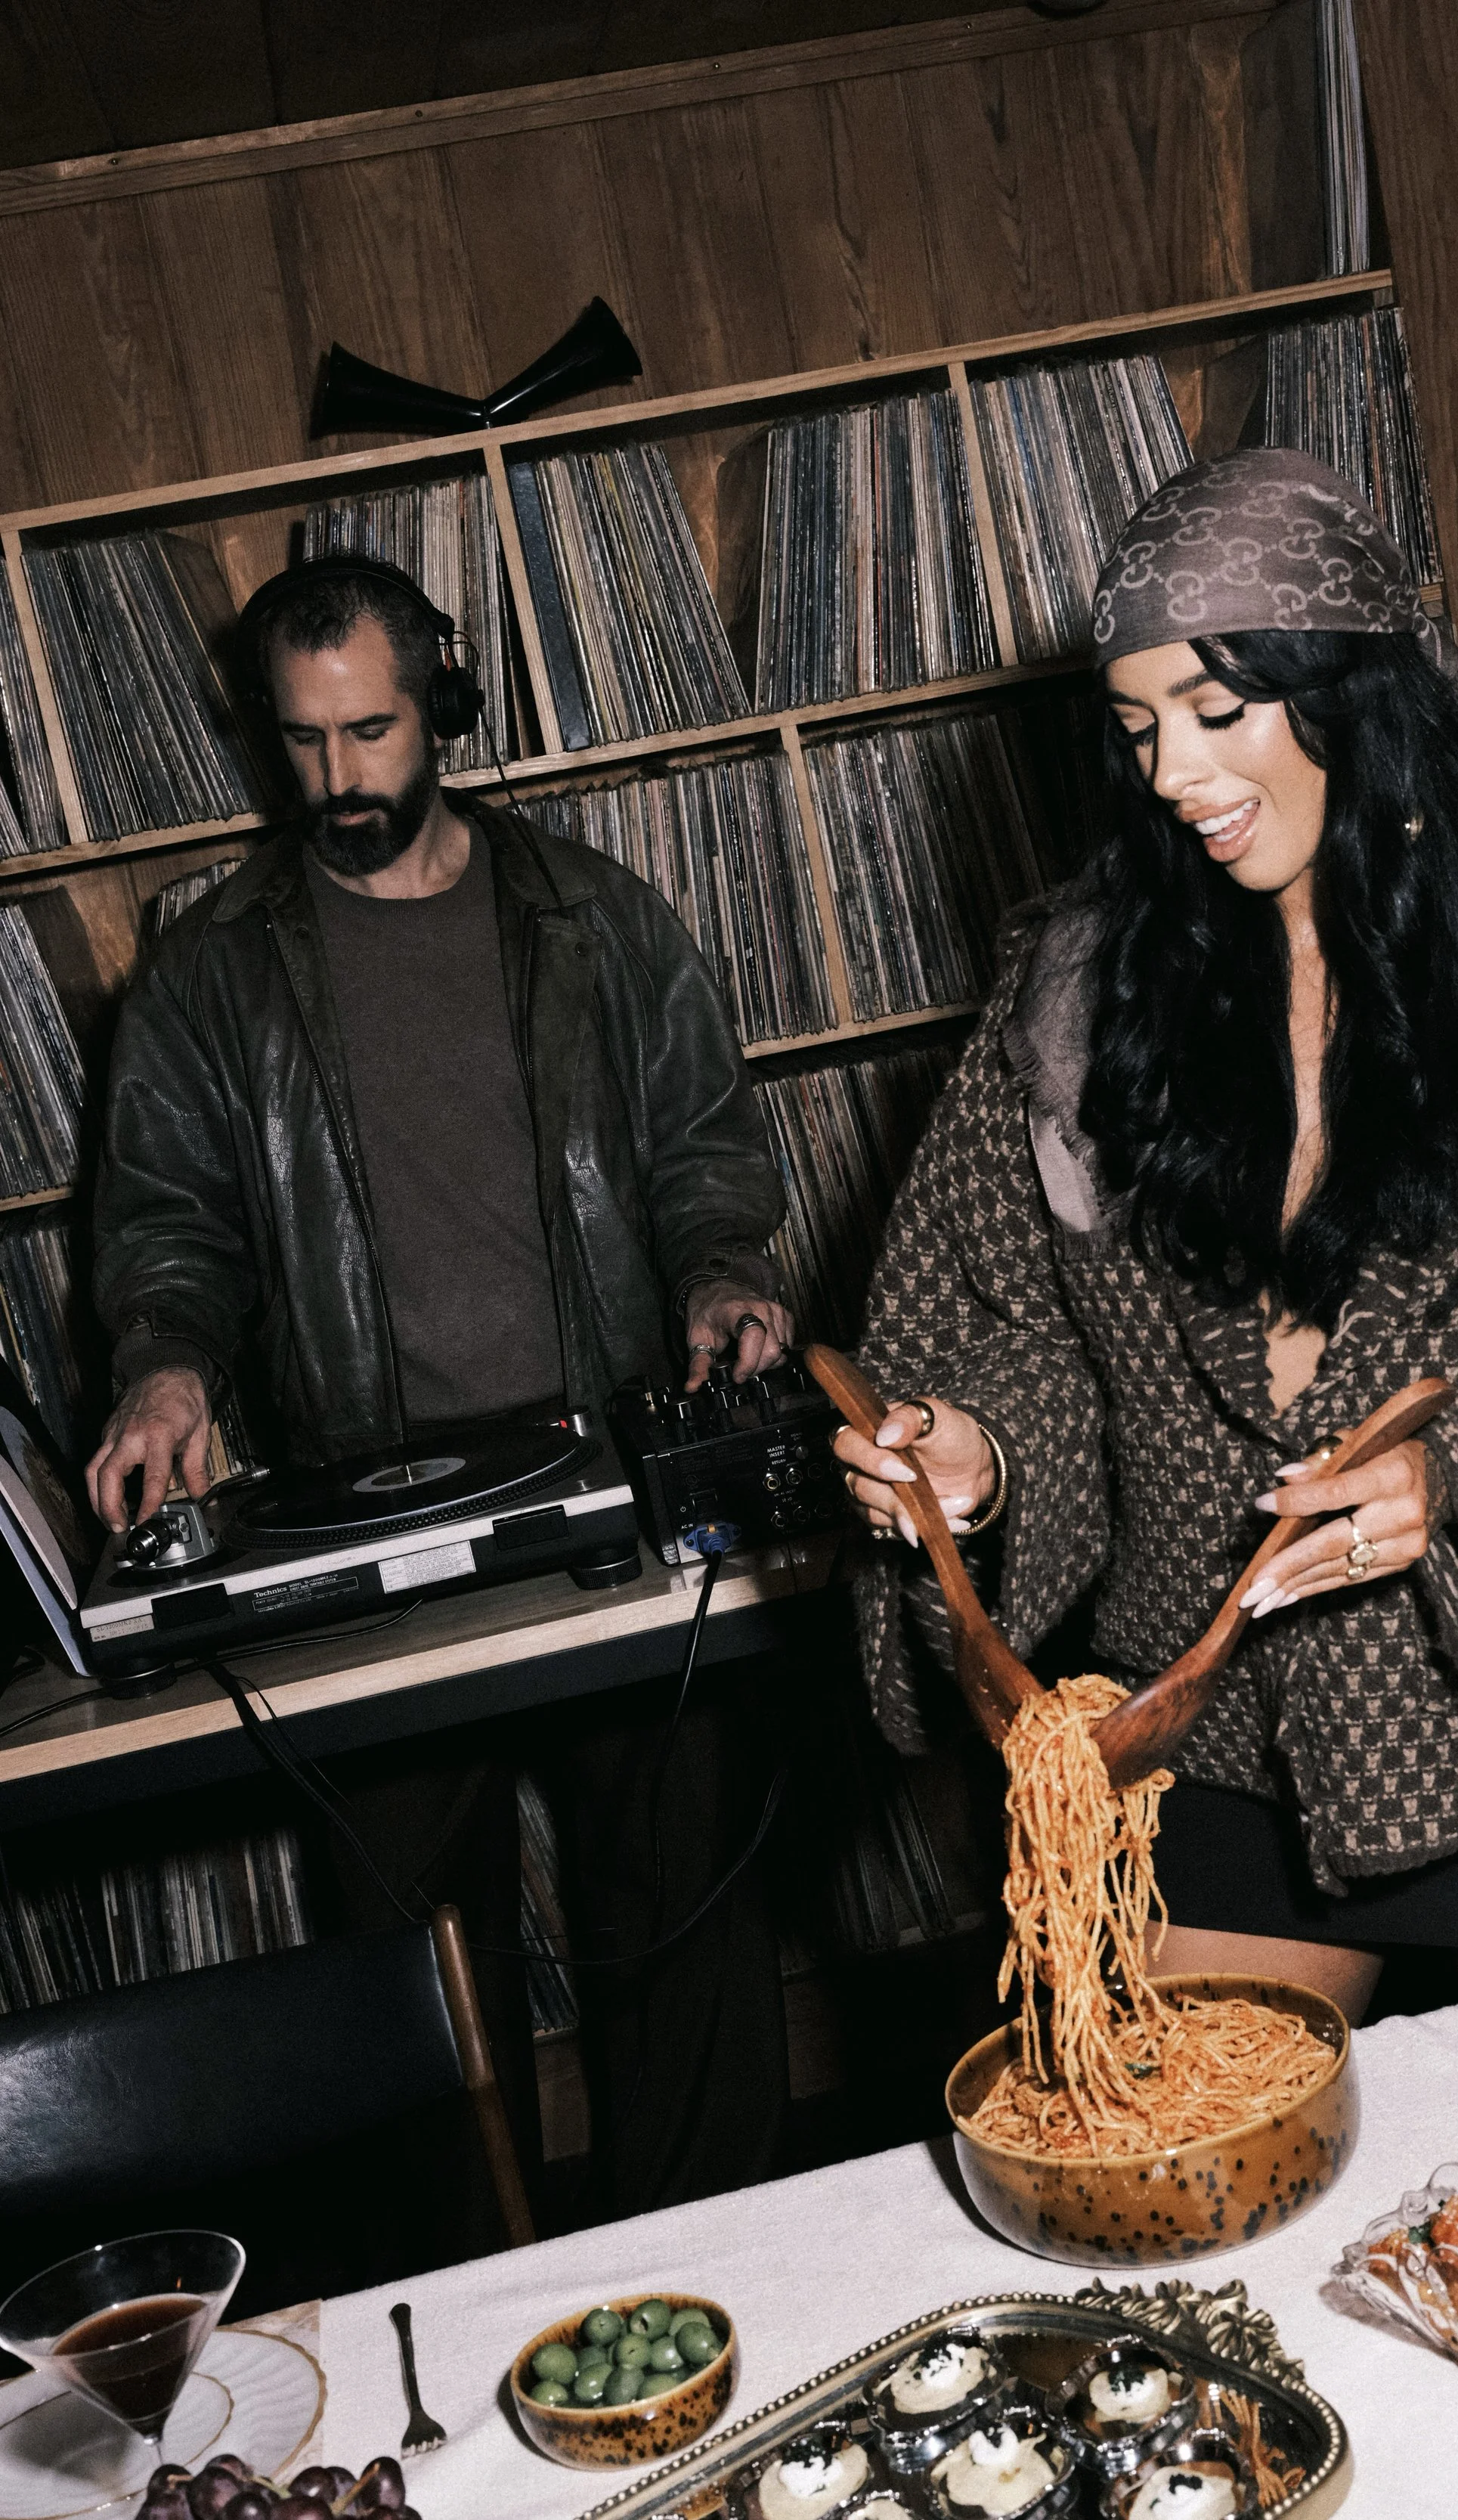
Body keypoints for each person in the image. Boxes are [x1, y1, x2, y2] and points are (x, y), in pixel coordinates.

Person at [835, 448, 1458, 2023]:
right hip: (1202, 1748)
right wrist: (975, 1453)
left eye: (1217, 716)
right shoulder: (1075, 1006)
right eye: (1136, 728)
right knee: (1167, 2183)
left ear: (1351, 695)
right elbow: (1006, 1332)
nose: (1170, 774)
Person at [87, 556, 792, 2229]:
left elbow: (702, 1153)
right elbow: (167, 1224)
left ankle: (736, 2305)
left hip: (615, 1489)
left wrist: (719, 1274)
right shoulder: (207, 972)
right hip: (363, 1527)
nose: (340, 782)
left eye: (374, 731)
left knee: (683, 1931)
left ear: (446, 707)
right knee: (410, 1991)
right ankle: (461, 2357)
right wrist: (166, 1363)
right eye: (304, 742)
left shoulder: (596, 917)